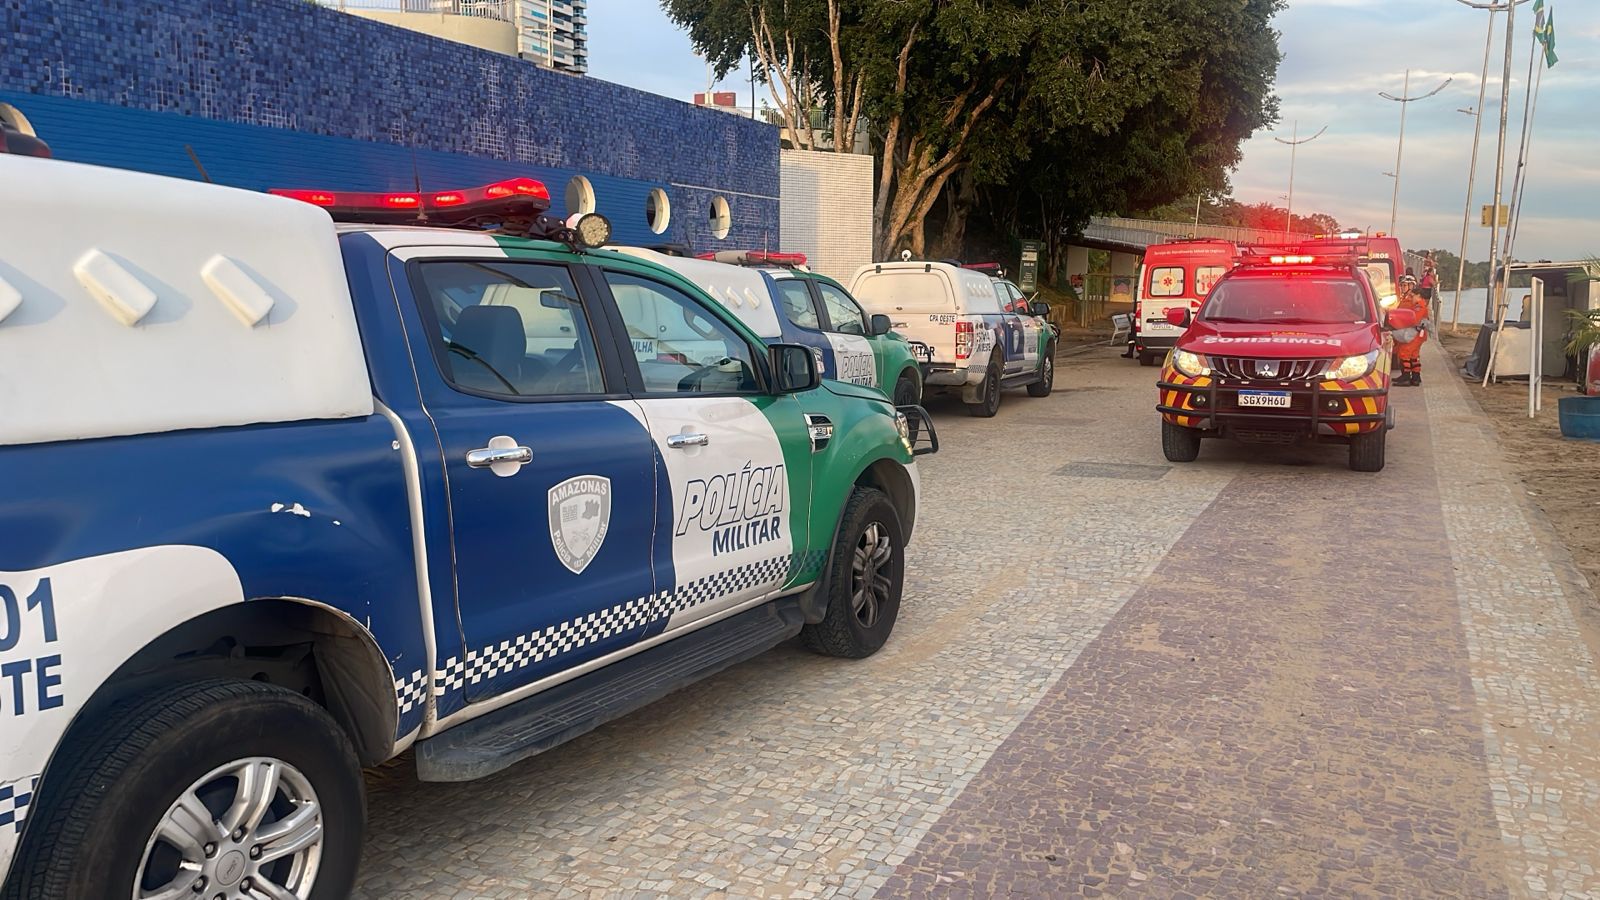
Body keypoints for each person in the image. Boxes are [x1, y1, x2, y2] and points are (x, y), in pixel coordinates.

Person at [1392, 273, 1430, 385]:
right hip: (1415, 332)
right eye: (1402, 285)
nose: (1403, 288)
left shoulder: (1415, 303)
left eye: (1405, 285)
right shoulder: (1407, 300)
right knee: (1414, 355)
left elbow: (1411, 318)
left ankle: (1406, 377)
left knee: (1404, 353)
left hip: (1414, 333)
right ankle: (1416, 377)